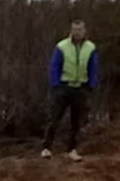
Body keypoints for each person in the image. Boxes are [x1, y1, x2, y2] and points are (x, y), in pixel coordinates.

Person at [42, 20, 99, 161]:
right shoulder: (62, 46)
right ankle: (46, 148)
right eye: (75, 29)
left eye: (80, 29)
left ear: (84, 30)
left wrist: (91, 85)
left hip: (81, 88)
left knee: (76, 122)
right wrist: (56, 84)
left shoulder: (90, 47)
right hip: (63, 86)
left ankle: (72, 150)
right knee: (54, 118)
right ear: (71, 30)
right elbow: (54, 66)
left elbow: (94, 67)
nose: (77, 32)